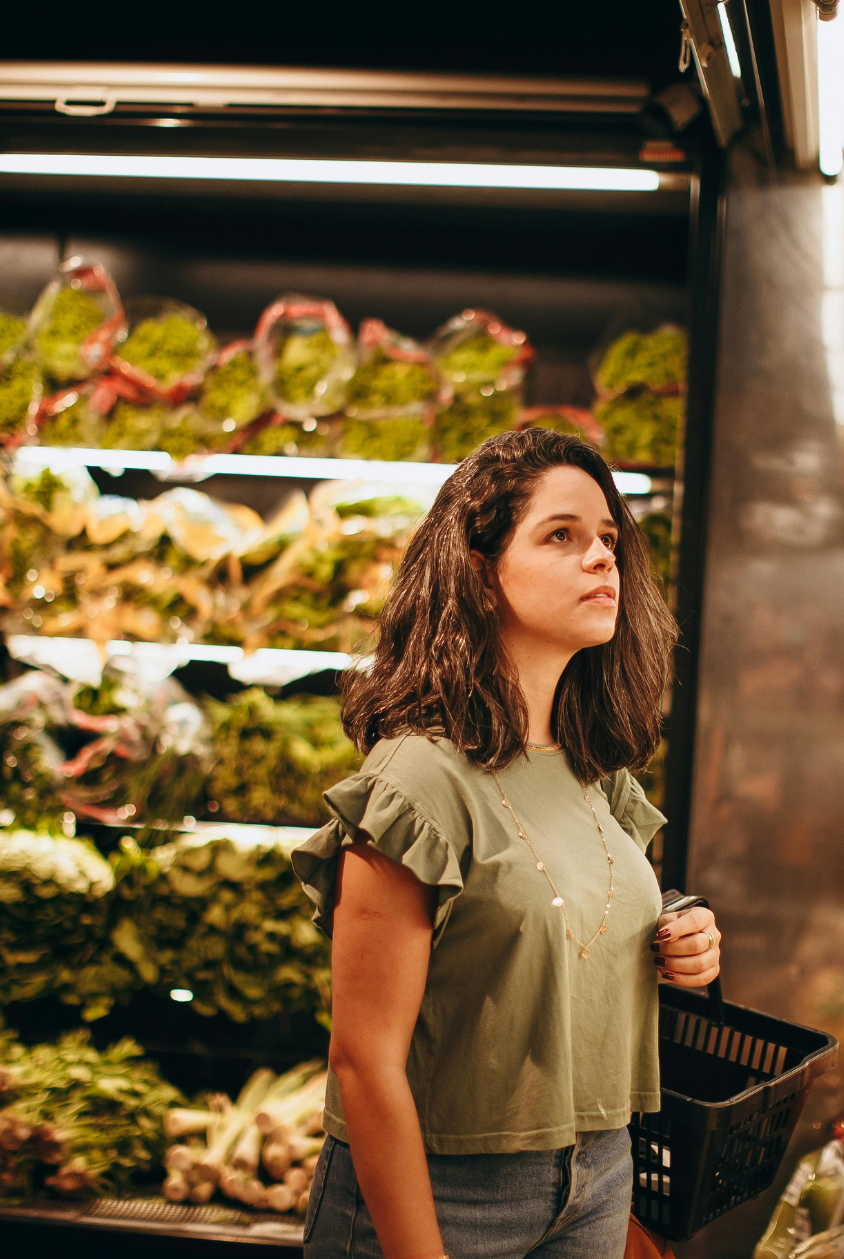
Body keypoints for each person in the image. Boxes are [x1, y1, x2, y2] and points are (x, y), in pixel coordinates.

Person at [293, 428, 722, 1259]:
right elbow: (364, 1063)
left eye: (608, 539)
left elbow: (560, 906)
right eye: (561, 536)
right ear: (479, 573)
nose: (602, 559)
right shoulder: (417, 783)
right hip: (443, 1191)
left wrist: (679, 931)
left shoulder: (595, 769)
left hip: (598, 1171)